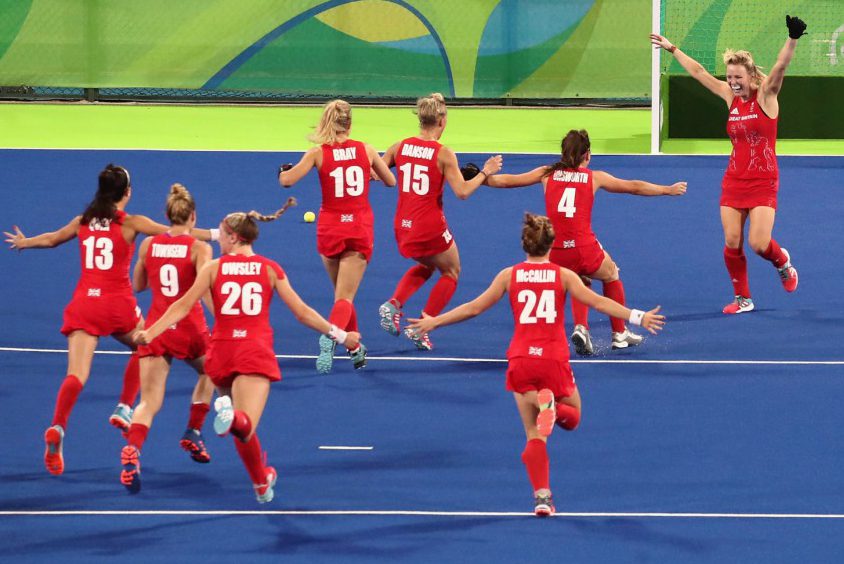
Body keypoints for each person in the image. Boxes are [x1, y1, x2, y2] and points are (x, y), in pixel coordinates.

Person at [407, 213, 665, 515]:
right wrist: (637, 316)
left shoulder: (508, 275)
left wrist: (435, 321)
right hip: (553, 358)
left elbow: (474, 308)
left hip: (521, 360)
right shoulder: (564, 275)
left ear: (524, 245)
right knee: (575, 416)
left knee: (534, 436)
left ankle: (542, 497)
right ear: (551, 245)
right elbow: (599, 303)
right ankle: (552, 409)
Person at [4, 164, 216, 476]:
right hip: (117, 306)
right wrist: (217, 234)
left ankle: (58, 427)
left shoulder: (83, 221)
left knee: (75, 375)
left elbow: (51, 240)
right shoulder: (132, 223)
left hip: (83, 305)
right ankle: (124, 406)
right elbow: (176, 233)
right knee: (144, 344)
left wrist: (25, 242)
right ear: (127, 193)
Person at [134, 212, 360, 503]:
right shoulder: (269, 269)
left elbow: (182, 305)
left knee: (243, 432)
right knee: (245, 424)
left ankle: (261, 484)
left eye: (220, 233)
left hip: (220, 354)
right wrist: (342, 336)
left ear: (233, 237)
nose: (217, 239)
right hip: (253, 352)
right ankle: (232, 418)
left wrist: (151, 332)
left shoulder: (213, 269)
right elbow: (302, 312)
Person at [650, 15, 804, 314]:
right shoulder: (727, 95)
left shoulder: (767, 96)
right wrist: (672, 49)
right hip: (734, 179)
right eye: (729, 77)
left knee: (759, 243)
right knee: (732, 242)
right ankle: (743, 299)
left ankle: (783, 263)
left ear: (751, 76)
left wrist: (793, 38)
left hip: (763, 180)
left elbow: (780, 67)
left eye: (738, 77)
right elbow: (698, 72)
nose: (732, 82)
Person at [481, 130, 685, 354]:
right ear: (587, 155)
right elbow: (634, 186)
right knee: (611, 273)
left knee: (579, 278)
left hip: (555, 252)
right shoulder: (594, 177)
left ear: (562, 153)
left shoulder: (546, 174)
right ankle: (619, 333)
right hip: (585, 249)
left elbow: (506, 181)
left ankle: (581, 327)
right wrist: (667, 190)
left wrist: (480, 176)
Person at [378, 92, 503, 350]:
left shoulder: (398, 147)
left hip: (402, 226)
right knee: (451, 271)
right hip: (429, 227)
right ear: (441, 121)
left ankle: (393, 305)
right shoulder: (443, 154)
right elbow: (463, 192)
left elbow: (374, 174)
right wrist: (485, 172)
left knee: (428, 263)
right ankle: (423, 326)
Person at [279, 99, 396, 373]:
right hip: (358, 228)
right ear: (350, 123)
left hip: (330, 229)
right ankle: (329, 337)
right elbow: (390, 181)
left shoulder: (317, 153)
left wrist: (282, 172)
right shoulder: (365, 150)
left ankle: (355, 349)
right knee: (345, 296)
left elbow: (287, 181)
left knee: (343, 295)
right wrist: (369, 173)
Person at [120, 183, 217, 492]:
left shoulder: (148, 245)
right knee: (211, 369)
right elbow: (203, 291)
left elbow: (138, 285)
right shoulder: (200, 248)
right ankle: (194, 430)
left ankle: (133, 452)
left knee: (148, 402)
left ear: (167, 215)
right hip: (189, 328)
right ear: (193, 217)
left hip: (156, 328)